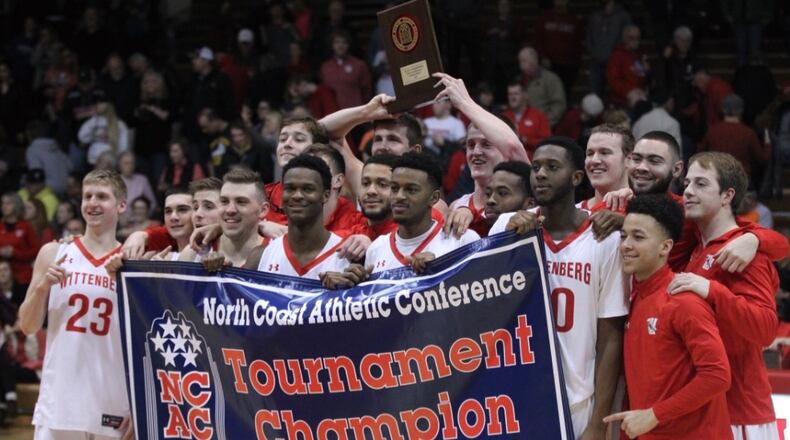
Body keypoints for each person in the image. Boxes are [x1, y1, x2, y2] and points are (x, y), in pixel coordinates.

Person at [490, 136, 628, 440]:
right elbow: (482, 309)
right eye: (536, 167)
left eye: (552, 167)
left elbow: (610, 337)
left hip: (575, 402)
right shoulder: (507, 228)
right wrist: (510, 243)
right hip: (513, 399)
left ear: (576, 177)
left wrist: (598, 423)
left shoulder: (604, 238)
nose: (540, 174)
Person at [669, 152, 781, 439]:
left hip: (740, 414)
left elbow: (766, 330)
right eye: (687, 183)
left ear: (727, 195)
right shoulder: (697, 247)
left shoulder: (743, 254)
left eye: (701, 183)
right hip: (708, 411)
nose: (688, 191)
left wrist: (711, 290)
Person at [603, 194, 731, 439]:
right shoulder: (634, 297)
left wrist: (654, 415)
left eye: (638, 237)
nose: (626, 245)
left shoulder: (683, 302)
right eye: (624, 236)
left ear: (665, 247)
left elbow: (717, 375)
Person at [18, 169, 133, 439]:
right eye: (87, 196)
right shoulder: (54, 252)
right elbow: (28, 326)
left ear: (121, 205)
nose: (92, 203)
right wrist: (42, 287)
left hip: (112, 400)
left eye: (102, 196)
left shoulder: (131, 262)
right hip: (60, 400)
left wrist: (137, 403)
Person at [364, 152, 479, 274]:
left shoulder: (462, 240)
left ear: (434, 198)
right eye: (394, 188)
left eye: (411, 190)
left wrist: (439, 271)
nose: (399, 196)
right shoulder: (375, 249)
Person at [245, 154, 351, 279]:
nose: (297, 196)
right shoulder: (260, 257)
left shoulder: (349, 256)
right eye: (290, 189)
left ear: (326, 195)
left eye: (308, 189)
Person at [180, 167, 266, 267]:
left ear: (263, 210)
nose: (230, 210)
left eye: (241, 202)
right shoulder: (193, 254)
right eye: (224, 201)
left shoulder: (276, 252)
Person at [699, 94, 770, 181]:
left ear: (723, 110)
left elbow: (700, 154)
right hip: (740, 181)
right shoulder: (748, 133)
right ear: (741, 111)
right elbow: (763, 159)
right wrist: (767, 139)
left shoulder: (712, 131)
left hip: (717, 179)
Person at [581, 123, 633, 211]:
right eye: (590, 154)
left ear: (628, 159)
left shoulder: (645, 213)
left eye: (604, 153)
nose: (594, 160)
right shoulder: (569, 214)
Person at [319, 31, 371, 110]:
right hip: (333, 112)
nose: (340, 46)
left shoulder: (359, 65)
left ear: (348, 45)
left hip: (355, 111)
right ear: (332, 45)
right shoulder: (325, 67)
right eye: (337, 42)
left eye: (344, 42)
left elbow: (366, 91)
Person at [517, 47, 567, 126]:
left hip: (544, 126)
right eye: (520, 62)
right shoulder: (519, 80)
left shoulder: (550, 79)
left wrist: (543, 123)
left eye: (524, 61)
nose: (521, 66)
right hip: (522, 125)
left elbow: (559, 106)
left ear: (534, 60)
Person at [0, 192, 40, 289]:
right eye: (3, 203)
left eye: (8, 203)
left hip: (23, 276)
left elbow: (36, 251)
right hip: (2, 277)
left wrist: (15, 252)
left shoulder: (26, 226)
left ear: (16, 205)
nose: (4, 206)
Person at [503, 80, 552, 157]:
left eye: (516, 94)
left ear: (525, 95)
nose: (512, 97)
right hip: (509, 161)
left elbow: (547, 143)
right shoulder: (504, 117)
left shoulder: (539, 116)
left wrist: (525, 140)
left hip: (532, 161)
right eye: (510, 94)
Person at [78, 96, 130, 166]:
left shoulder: (120, 124)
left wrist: (118, 160)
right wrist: (95, 134)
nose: (98, 105)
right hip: (93, 161)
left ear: (109, 105)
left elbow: (124, 146)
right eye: (97, 103)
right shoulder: (93, 121)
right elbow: (82, 137)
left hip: (112, 163)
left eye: (101, 103)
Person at [606, 24, 649, 108]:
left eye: (638, 38)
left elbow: (642, 76)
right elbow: (613, 79)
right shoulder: (617, 55)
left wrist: (647, 71)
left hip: (639, 98)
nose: (636, 41)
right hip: (622, 101)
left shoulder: (640, 55)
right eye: (632, 38)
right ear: (625, 39)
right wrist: (628, 92)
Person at [25, 120, 70, 196]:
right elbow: (70, 166)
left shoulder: (33, 150)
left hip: (49, 190)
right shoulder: (56, 146)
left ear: (30, 134)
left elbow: (37, 174)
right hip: (67, 186)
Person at [484, 161, 534, 228]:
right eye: (488, 194)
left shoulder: (542, 234)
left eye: (502, 193)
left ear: (530, 204)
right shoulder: (472, 228)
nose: (490, 200)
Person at [118, 152, 157, 225]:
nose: (129, 166)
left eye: (131, 163)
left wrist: (144, 217)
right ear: (120, 165)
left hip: (140, 222)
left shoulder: (142, 180)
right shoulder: (114, 181)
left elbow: (153, 203)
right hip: (120, 222)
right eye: (126, 163)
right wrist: (119, 216)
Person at [161, 189, 194, 258]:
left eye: (182, 210)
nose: (173, 217)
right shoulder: (159, 258)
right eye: (168, 211)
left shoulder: (213, 254)